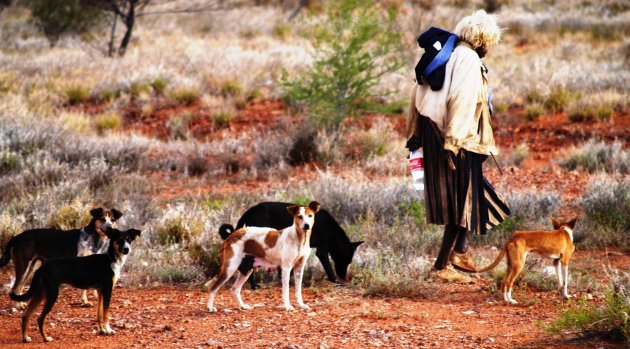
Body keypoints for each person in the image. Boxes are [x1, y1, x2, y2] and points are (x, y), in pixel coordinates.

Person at [406, 10, 511, 282]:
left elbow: (416, 93)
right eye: (489, 42)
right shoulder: (468, 59)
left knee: (466, 195)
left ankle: (460, 253)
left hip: (435, 132)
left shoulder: (446, 54)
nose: (489, 48)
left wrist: (415, 134)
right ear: (481, 39)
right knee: (459, 199)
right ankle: (442, 267)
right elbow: (461, 102)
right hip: (453, 137)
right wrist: (453, 144)